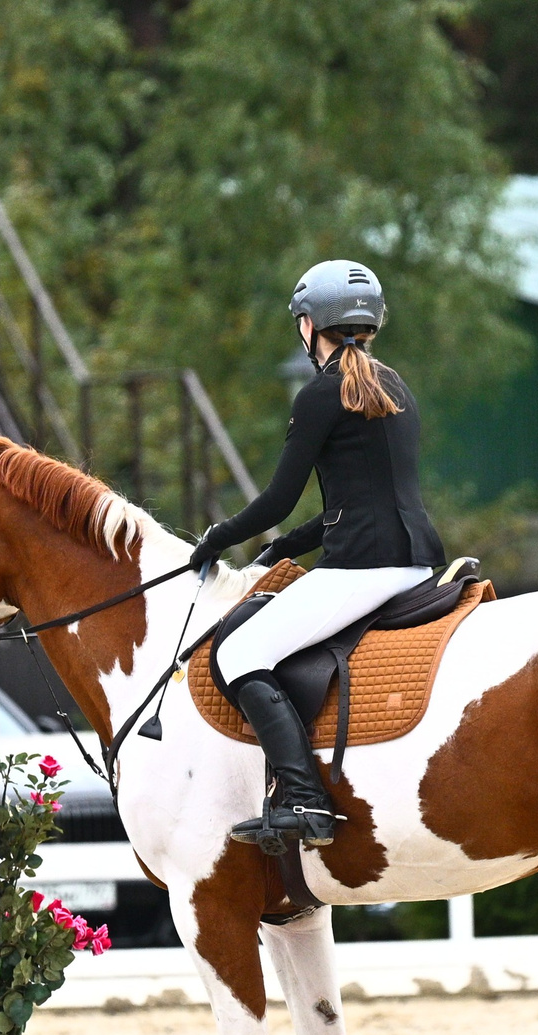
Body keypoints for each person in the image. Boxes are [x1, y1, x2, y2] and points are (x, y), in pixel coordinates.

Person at [185, 258, 447, 849]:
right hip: (414, 563)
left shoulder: (321, 395)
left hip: (363, 569)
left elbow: (278, 499)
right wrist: (284, 546)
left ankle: (304, 799)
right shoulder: (395, 386)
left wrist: (217, 537)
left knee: (238, 653)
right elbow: (357, 500)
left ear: (309, 325)